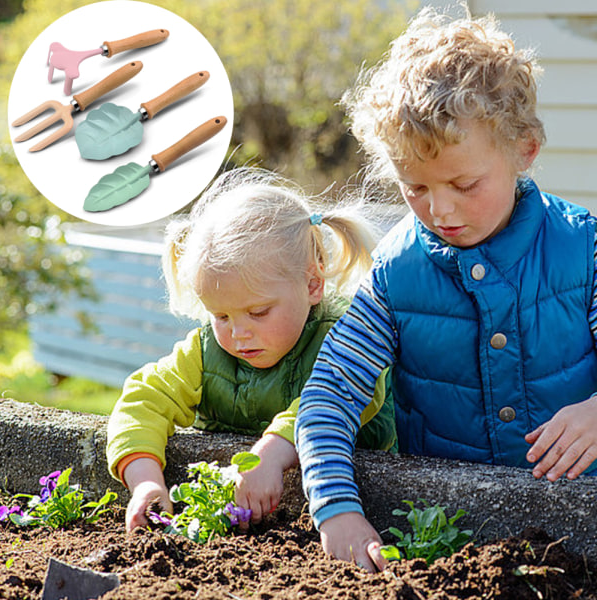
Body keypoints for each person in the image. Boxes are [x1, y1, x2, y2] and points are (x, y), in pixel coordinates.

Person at [295, 6, 597, 573]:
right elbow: (328, 396)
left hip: (581, 536)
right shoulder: (394, 274)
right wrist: (335, 508)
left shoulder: (584, 249)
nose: (441, 209)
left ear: (524, 152)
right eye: (415, 187)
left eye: (464, 184)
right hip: (448, 545)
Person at [106, 167, 396, 533]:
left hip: (368, 516)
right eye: (221, 314)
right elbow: (142, 401)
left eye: (258, 312)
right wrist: (146, 480)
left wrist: (272, 452)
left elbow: (340, 395)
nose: (239, 334)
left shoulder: (347, 338)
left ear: (312, 283)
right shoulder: (205, 352)